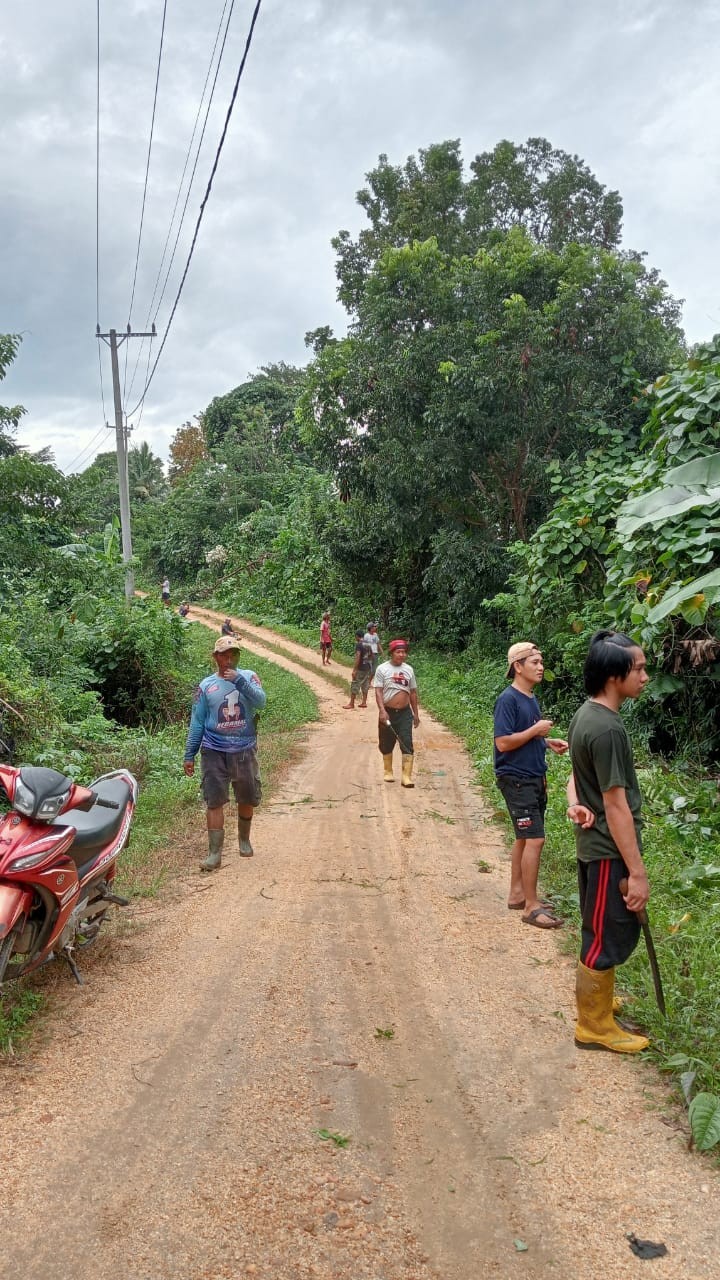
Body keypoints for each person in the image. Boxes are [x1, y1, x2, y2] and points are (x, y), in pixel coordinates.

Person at [567, 629, 651, 1054]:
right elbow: (616, 806)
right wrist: (636, 872)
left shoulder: (588, 715)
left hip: (597, 846)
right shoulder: (607, 730)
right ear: (614, 675)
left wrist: (574, 804)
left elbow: (575, 777)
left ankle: (599, 1002)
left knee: (602, 925)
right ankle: (593, 1025)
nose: (645, 676)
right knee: (603, 932)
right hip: (607, 851)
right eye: (638, 668)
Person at [493, 642, 569, 929]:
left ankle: (518, 894)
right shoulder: (508, 700)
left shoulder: (530, 698)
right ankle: (531, 906)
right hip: (517, 780)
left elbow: (521, 736)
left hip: (534, 776)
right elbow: (503, 742)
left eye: (541, 662)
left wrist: (546, 742)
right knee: (535, 838)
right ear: (518, 666)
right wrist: (536, 731)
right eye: (534, 662)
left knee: (524, 838)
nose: (540, 667)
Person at [183, 635, 267, 871]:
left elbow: (261, 702)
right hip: (213, 750)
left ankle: (244, 839)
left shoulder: (249, 677)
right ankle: (214, 853)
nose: (230, 659)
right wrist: (189, 754)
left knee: (247, 796)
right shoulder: (205, 686)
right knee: (214, 800)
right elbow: (197, 722)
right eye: (224, 655)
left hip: (244, 748)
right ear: (216, 657)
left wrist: (240, 681)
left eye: (234, 654)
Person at [373, 639, 420, 787]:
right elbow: (378, 691)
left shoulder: (409, 670)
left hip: (405, 713)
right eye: (398, 652)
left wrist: (416, 714)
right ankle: (388, 771)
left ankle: (406, 777)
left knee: (406, 741)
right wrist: (382, 711)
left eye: (404, 652)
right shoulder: (382, 669)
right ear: (392, 653)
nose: (402, 655)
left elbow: (413, 693)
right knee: (386, 742)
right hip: (388, 711)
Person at [344, 629, 374, 709]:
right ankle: (364, 702)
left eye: (355, 637)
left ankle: (351, 703)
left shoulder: (359, 644)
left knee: (355, 683)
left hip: (360, 668)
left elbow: (358, 657)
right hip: (367, 667)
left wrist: (354, 670)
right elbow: (372, 655)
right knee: (365, 684)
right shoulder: (368, 644)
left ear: (357, 636)